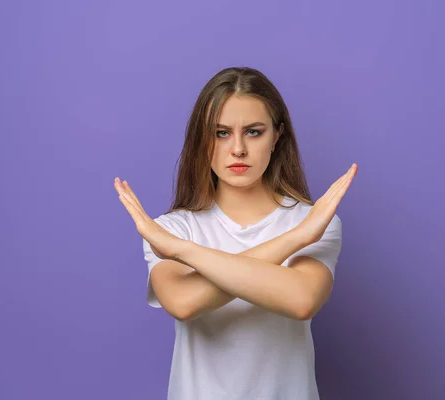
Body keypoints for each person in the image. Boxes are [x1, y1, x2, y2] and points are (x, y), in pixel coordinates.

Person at [114, 66, 358, 400]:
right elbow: (183, 303)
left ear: (277, 137)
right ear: (203, 140)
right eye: (221, 133)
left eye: (254, 132)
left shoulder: (317, 222)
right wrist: (295, 240)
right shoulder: (174, 229)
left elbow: (301, 301)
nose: (238, 149)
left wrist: (182, 251)